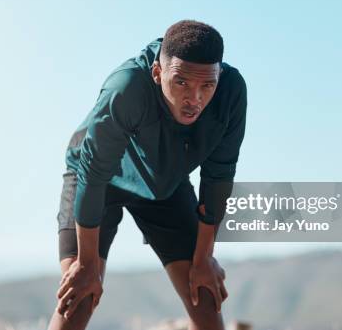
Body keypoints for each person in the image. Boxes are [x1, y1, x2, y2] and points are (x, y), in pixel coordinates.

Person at [48, 20, 247, 330]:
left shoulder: (231, 92)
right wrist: (87, 265)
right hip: (100, 180)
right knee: (79, 297)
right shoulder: (127, 86)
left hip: (164, 184)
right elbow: (94, 172)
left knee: (204, 295)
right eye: (181, 82)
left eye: (206, 85)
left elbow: (218, 176)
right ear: (158, 73)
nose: (194, 98)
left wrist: (204, 257)